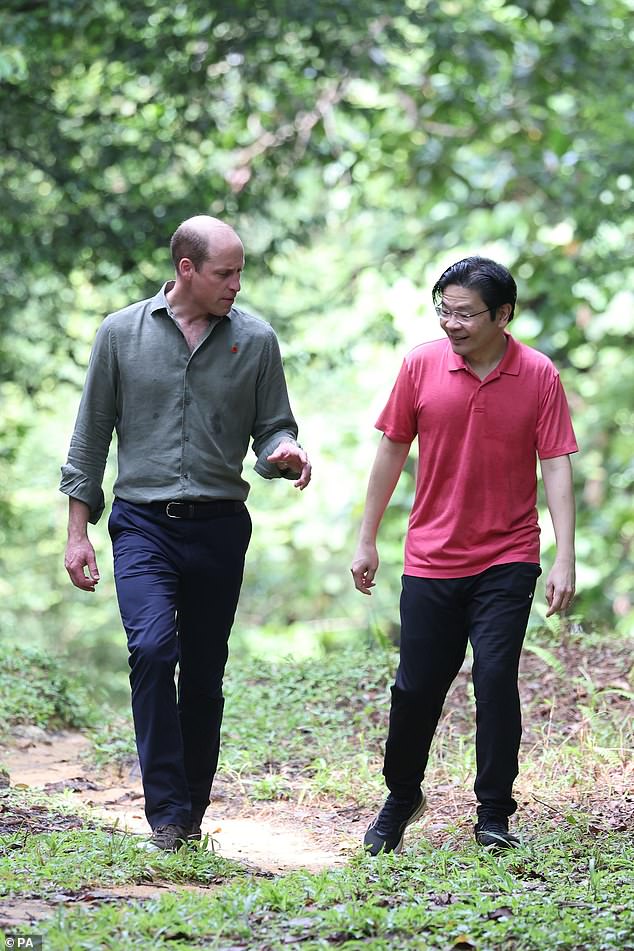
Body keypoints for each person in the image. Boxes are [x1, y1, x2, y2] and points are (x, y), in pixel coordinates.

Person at [61, 215, 311, 852]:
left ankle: (190, 810)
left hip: (221, 526)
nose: (236, 284)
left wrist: (286, 453)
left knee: (203, 671)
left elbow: (274, 427)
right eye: (225, 273)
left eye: (240, 272)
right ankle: (165, 811)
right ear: (187, 270)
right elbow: (90, 436)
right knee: (151, 650)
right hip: (143, 522)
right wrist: (78, 534)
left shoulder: (255, 340)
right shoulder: (120, 334)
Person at [351, 256, 577, 854]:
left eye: (466, 313)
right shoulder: (421, 365)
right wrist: (367, 537)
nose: (451, 322)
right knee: (416, 686)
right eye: (444, 309)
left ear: (503, 316)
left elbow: (555, 462)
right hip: (431, 556)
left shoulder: (539, 375)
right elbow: (391, 450)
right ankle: (402, 796)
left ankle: (495, 814)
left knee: (496, 678)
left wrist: (564, 555)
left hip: (508, 554)